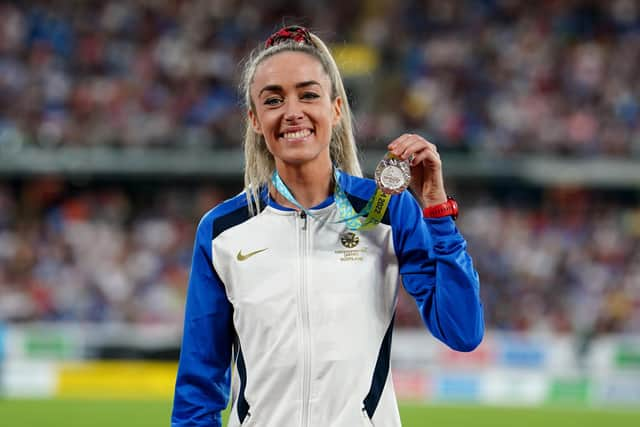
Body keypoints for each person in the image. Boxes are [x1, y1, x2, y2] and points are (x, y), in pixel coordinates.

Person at [172, 25, 483, 427]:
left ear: (336, 109)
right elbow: (199, 385)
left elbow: (462, 331)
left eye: (308, 94)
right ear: (254, 119)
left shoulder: (386, 211)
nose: (292, 112)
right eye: (273, 100)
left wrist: (438, 214)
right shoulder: (222, 232)